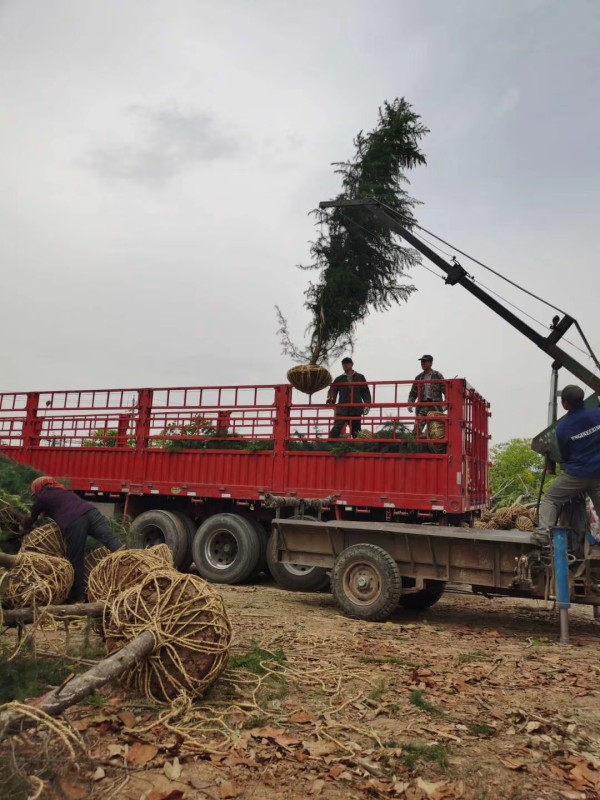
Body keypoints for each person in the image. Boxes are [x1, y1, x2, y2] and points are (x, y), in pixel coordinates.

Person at [20, 476, 123, 601]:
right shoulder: (63, 492)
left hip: (75, 521)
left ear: (38, 488)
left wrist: (22, 527)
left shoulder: (43, 496)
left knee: (75, 560)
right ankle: (134, 561)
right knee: (112, 542)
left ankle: (77, 598)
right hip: (91, 512)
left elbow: (32, 516)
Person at [536, 384, 600, 546]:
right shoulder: (598, 414)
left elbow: (564, 457)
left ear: (565, 404)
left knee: (551, 499)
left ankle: (543, 533)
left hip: (576, 475)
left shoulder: (563, 428)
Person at [327, 357, 371, 439]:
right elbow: (333, 390)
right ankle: (329, 446)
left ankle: (356, 449)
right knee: (336, 429)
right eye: (343, 364)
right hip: (342, 409)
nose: (345, 365)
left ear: (351, 364)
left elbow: (365, 392)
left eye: (347, 363)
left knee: (356, 431)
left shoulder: (360, 377)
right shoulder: (339, 379)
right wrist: (331, 399)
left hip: (356, 408)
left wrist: (367, 405)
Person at [407, 354, 445, 434]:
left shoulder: (438, 375)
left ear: (431, 363)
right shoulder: (418, 377)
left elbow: (446, 390)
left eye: (424, 362)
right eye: (421, 362)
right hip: (423, 405)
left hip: (435, 406)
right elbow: (413, 393)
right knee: (417, 429)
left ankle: (435, 445)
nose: (422, 363)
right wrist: (410, 403)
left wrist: (446, 403)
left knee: (438, 430)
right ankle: (415, 444)